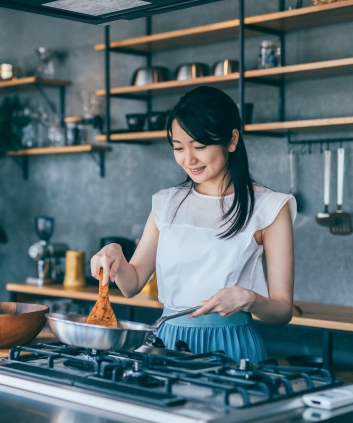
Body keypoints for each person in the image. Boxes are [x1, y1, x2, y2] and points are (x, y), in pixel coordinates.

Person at [90, 86, 296, 362]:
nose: (188, 159)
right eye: (178, 148)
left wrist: (251, 299)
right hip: (168, 343)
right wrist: (115, 255)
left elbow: (283, 312)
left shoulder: (269, 207)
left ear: (232, 140)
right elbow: (132, 284)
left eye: (199, 146)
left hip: (232, 346)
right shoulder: (167, 203)